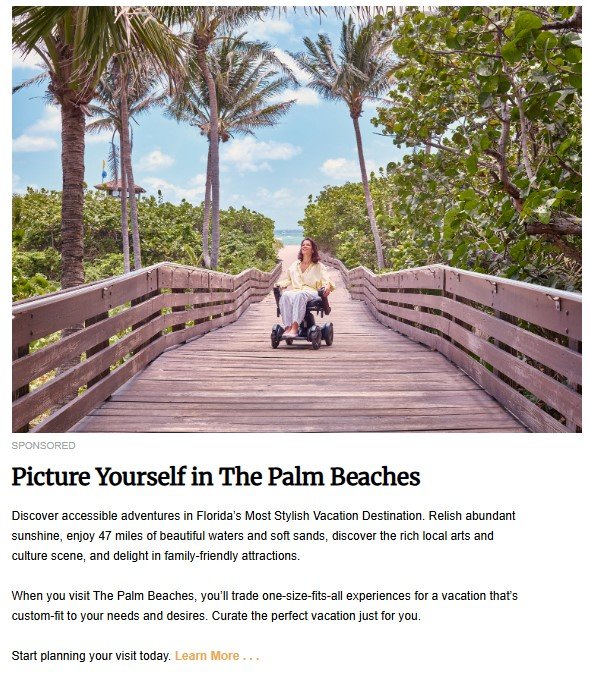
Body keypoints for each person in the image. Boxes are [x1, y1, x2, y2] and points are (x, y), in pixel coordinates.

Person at [276, 238, 335, 338]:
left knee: (300, 294)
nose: (304, 246)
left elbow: (327, 280)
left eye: (308, 245)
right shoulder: (295, 265)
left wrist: (327, 287)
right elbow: (288, 280)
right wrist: (279, 285)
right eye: (303, 244)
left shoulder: (319, 266)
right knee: (285, 295)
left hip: (312, 293)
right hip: (297, 291)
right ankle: (288, 327)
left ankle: (295, 328)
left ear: (312, 250)